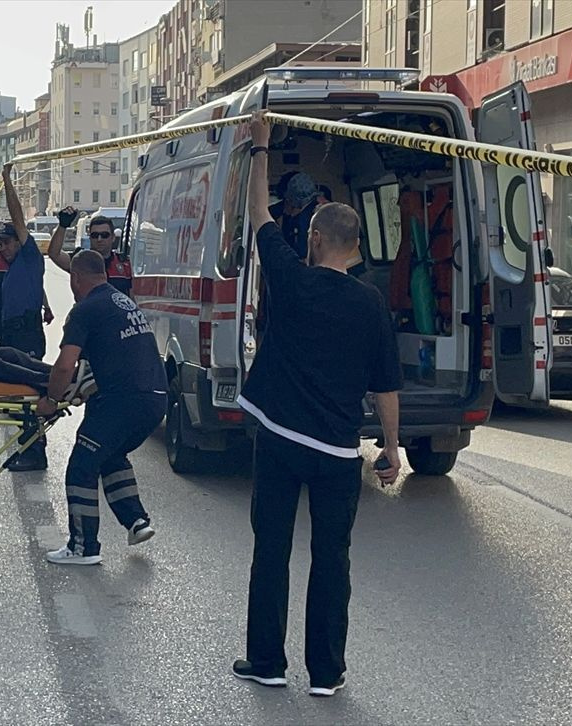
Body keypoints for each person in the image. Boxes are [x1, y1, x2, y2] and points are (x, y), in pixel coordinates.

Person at [231, 112, 401, 698]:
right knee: (333, 559)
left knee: (271, 549)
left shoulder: (291, 278)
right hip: (336, 450)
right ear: (356, 244)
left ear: (317, 237)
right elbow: (385, 386)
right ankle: (326, 673)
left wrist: (260, 148)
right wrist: (392, 449)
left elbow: (258, 215)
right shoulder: (372, 305)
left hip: (279, 439)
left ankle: (267, 662)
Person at [34, 250, 164, 565]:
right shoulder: (121, 301)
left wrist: (50, 401)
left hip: (123, 400)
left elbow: (65, 365)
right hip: (156, 398)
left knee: (82, 464)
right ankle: (136, 521)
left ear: (75, 278)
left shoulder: (85, 309)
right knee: (109, 454)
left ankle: (83, 547)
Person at [0, 162, 49, 472]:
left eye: (6, 241)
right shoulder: (13, 267)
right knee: (18, 397)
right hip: (12, 334)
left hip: (26, 333)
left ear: (19, 241)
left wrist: (7, 181)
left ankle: (34, 452)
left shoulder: (30, 256)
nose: (1, 246)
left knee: (28, 396)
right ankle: (28, 447)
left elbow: (18, 217)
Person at [46, 207, 133, 296]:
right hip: (90, 309)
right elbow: (54, 254)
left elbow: (132, 296)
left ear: (113, 237)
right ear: (90, 237)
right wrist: (63, 225)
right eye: (95, 235)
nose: (99, 239)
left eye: (104, 235)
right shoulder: (81, 259)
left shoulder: (124, 263)